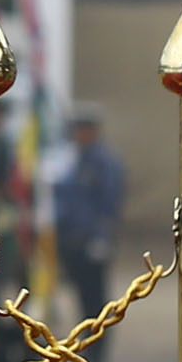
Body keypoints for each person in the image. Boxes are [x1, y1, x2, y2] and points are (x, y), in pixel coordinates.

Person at [50, 105, 128, 324]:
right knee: (81, 292)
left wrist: (102, 238)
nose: (79, 135)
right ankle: (88, 335)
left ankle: (97, 341)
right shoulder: (72, 159)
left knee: (95, 295)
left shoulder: (105, 162)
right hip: (71, 237)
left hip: (91, 238)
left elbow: (110, 202)